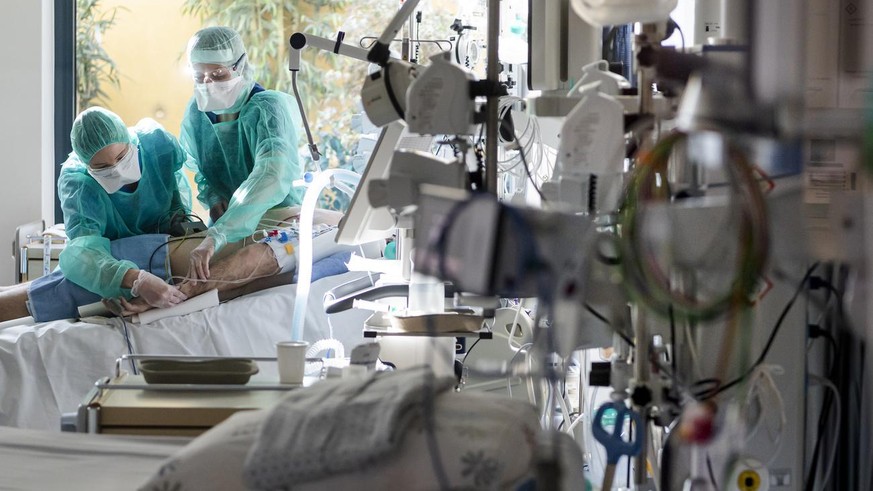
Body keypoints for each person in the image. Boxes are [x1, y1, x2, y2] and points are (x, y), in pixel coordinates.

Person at [0, 107, 191, 322]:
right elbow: (82, 254)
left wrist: (181, 224)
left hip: (164, 244)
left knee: (55, 286)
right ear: (86, 165)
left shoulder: (156, 145)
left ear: (132, 142)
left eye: (121, 156)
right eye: (102, 167)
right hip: (112, 255)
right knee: (61, 292)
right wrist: (130, 279)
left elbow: (175, 192)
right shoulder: (78, 183)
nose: (117, 170)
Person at [179, 26, 309, 283]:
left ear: (239, 66)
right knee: (201, 281)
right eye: (199, 76)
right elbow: (203, 171)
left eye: (218, 73)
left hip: (278, 219)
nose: (208, 83)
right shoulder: (197, 113)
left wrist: (219, 234)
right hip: (230, 227)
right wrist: (215, 199)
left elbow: (271, 176)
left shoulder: (268, 109)